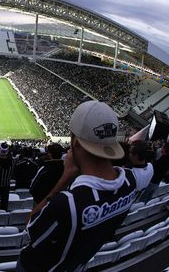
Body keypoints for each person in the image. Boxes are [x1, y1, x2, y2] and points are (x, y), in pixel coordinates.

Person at [17, 101, 151, 271]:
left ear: (76, 143)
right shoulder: (131, 182)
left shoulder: (68, 203)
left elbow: (30, 226)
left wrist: (64, 180)